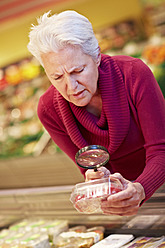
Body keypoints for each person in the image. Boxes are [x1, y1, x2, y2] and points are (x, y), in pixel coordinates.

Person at [27, 10, 165, 216]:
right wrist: (98, 179)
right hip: (128, 203)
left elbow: (161, 149)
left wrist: (140, 188)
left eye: (78, 71)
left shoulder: (133, 74)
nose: (71, 87)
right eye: (57, 77)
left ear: (97, 57)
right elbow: (89, 167)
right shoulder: (48, 110)